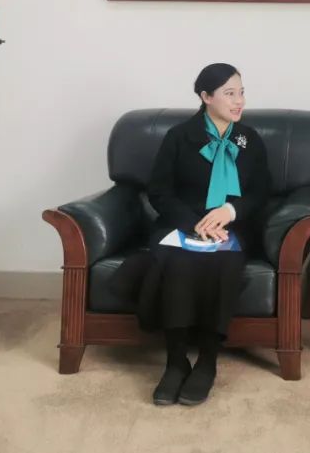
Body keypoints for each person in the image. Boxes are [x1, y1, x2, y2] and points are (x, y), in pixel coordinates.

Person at [111, 63, 270, 406]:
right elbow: (160, 192)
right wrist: (194, 223)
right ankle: (175, 362)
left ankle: (207, 362)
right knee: (179, 262)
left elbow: (262, 192)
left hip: (231, 227)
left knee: (224, 262)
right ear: (206, 97)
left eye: (242, 92)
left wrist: (229, 212)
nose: (239, 101)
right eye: (230, 93)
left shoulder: (250, 140)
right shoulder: (179, 137)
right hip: (182, 225)